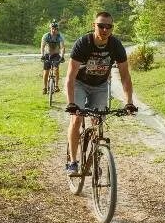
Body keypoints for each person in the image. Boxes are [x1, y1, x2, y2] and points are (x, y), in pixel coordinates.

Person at [64, 11, 137, 176]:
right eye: (101, 25)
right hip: (79, 84)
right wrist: (71, 104)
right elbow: (70, 76)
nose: (104, 29)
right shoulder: (83, 43)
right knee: (77, 119)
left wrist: (129, 102)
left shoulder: (116, 45)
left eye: (108, 26)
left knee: (98, 121)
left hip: (100, 86)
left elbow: (125, 76)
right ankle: (73, 162)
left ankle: (95, 159)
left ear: (112, 28)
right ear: (93, 26)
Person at [40, 21, 65, 94]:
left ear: (57, 30)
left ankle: (56, 86)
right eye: (52, 29)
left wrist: (62, 56)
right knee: (46, 71)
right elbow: (42, 46)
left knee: (56, 69)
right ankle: (44, 88)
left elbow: (62, 47)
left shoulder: (60, 36)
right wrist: (42, 55)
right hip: (47, 55)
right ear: (50, 29)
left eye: (56, 29)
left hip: (56, 55)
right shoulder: (46, 36)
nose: (54, 30)